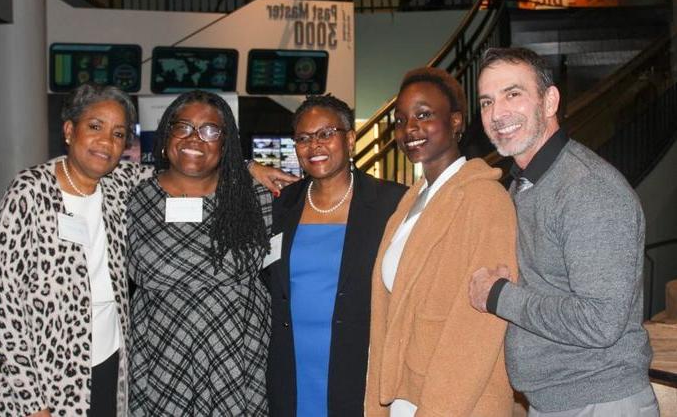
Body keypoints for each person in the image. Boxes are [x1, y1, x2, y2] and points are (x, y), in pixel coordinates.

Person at [0, 84, 294, 417]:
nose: (106, 141)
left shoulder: (120, 185)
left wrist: (248, 167)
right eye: (95, 126)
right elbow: (4, 307)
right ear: (69, 130)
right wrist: (31, 399)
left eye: (118, 134)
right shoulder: (30, 192)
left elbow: (191, 165)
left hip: (116, 358)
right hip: (49, 366)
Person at [469, 47, 658, 416]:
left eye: (513, 94)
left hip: (601, 403)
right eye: (487, 101)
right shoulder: (525, 185)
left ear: (550, 100)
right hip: (558, 404)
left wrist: (498, 296)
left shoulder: (587, 188)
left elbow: (600, 321)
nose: (497, 113)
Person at [365, 67, 517, 416]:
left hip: (457, 404)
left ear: (456, 121)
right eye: (400, 120)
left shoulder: (485, 199)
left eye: (423, 115)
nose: (409, 129)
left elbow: (479, 326)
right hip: (405, 398)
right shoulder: (410, 203)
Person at [126, 90, 274, 416]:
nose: (196, 139)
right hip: (162, 352)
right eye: (184, 127)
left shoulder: (254, 197)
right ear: (168, 134)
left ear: (225, 143)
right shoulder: (137, 198)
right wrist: (220, 265)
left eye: (210, 130)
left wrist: (248, 167)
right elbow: (140, 269)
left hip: (237, 352)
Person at [266, 95, 406, 416]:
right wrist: (250, 168)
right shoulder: (282, 206)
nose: (314, 145)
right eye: (303, 138)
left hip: (360, 368)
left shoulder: (390, 203)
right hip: (291, 368)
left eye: (326, 134)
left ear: (351, 139)